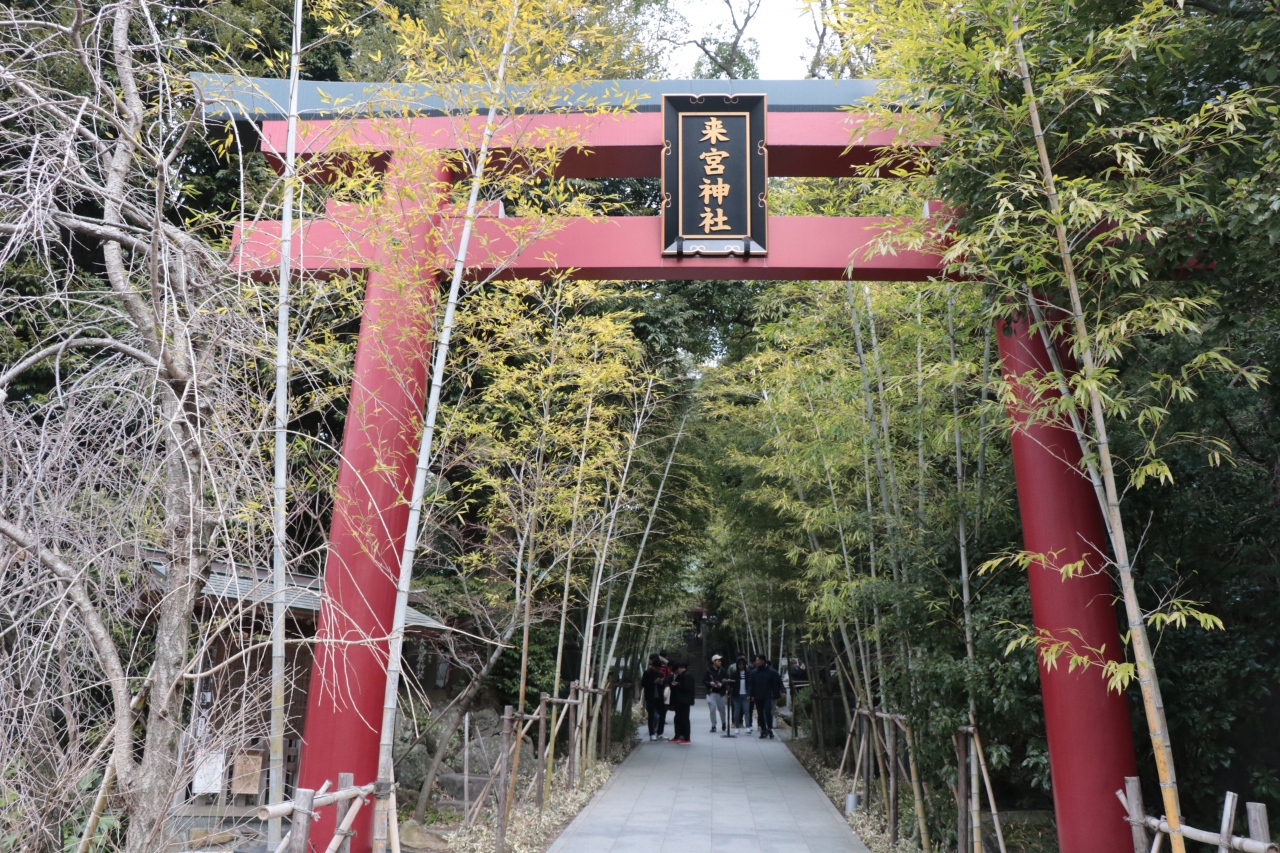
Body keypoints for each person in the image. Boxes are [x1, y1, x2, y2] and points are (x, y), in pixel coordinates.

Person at [747, 654, 782, 739]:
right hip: (758, 695)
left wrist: (782, 690)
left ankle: (769, 728)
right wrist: (750, 694)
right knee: (760, 713)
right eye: (756, 660)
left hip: (767, 695)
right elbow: (751, 684)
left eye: (758, 660)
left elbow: (778, 681)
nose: (757, 662)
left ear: (763, 661)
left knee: (767, 711)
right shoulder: (754, 672)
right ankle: (763, 729)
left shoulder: (771, 671)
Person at [641, 654, 669, 741]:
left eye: (659, 668)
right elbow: (643, 684)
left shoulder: (660, 673)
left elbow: (663, 685)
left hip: (659, 697)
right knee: (651, 716)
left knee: (663, 714)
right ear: (653, 666)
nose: (658, 670)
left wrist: (661, 683)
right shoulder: (647, 673)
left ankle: (660, 733)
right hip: (650, 697)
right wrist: (654, 682)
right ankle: (652, 734)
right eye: (657, 668)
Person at [668, 661, 696, 744]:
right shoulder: (683, 675)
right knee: (678, 718)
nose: (677, 673)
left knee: (684, 718)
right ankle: (678, 735)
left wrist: (677, 684)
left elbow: (687, 687)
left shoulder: (687, 675)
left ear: (680, 668)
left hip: (685, 700)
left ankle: (686, 738)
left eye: (677, 671)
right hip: (680, 700)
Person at [728, 654, 753, 734]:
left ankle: (748, 727)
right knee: (736, 712)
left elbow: (751, 685)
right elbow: (730, 684)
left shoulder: (749, 673)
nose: (741, 665)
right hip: (736, 695)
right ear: (737, 665)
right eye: (739, 664)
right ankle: (737, 727)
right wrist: (729, 692)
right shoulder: (734, 673)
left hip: (746, 695)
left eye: (742, 664)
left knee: (746, 711)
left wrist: (750, 694)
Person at [704, 654, 729, 733]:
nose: (720, 662)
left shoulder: (723, 670)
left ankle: (723, 723)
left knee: (722, 710)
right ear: (714, 661)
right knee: (712, 709)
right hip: (711, 692)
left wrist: (722, 684)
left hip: (721, 693)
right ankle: (713, 725)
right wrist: (710, 683)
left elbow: (726, 679)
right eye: (718, 660)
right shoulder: (708, 671)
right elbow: (704, 681)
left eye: (720, 660)